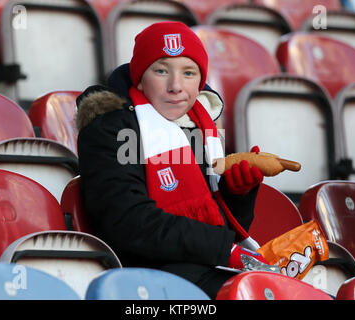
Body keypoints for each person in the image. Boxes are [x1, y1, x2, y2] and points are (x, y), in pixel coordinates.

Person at [76, 21, 269, 299]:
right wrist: (223, 248)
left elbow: (222, 227)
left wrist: (237, 194)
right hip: (148, 284)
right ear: (140, 78)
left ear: (200, 82)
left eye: (188, 73)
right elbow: (128, 222)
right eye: (161, 70)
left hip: (206, 271)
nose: (175, 86)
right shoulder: (108, 129)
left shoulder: (199, 129)